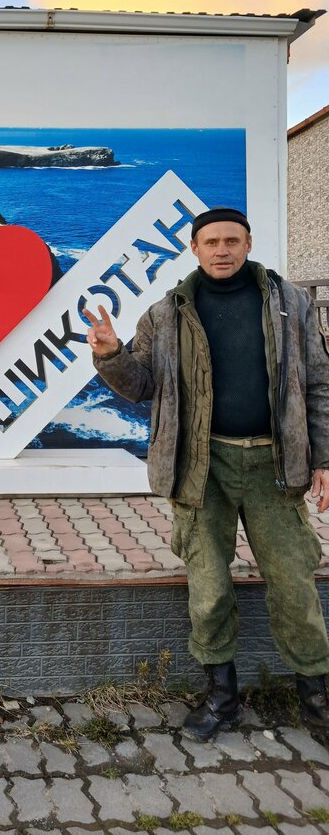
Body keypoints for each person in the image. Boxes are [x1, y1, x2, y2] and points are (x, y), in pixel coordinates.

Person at [83, 206, 329, 742]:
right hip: (202, 465)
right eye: (211, 241)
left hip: (274, 465)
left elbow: (318, 383)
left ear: (248, 243)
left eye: (232, 240)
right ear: (194, 248)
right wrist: (111, 355)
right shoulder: (165, 313)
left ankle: (316, 697)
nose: (222, 250)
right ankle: (222, 696)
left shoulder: (291, 303)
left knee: (294, 583)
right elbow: (142, 384)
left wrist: (324, 458)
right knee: (210, 586)